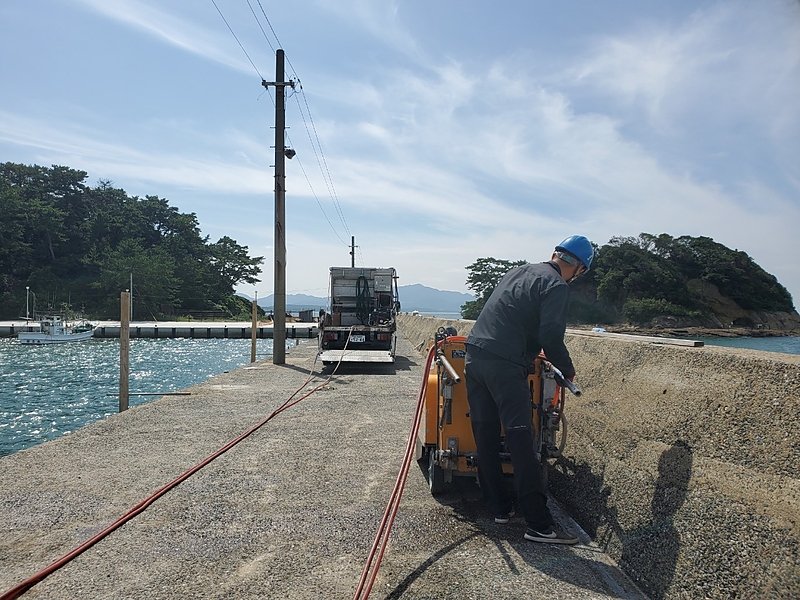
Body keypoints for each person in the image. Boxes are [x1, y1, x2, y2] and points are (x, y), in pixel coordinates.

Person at [464, 235, 594, 544]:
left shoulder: (518, 271)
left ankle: (498, 507)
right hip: (505, 366)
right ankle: (539, 525)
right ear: (578, 269)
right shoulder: (557, 287)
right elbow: (550, 334)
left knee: (485, 435)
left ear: (555, 254)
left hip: (474, 356)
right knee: (521, 441)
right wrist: (568, 369)